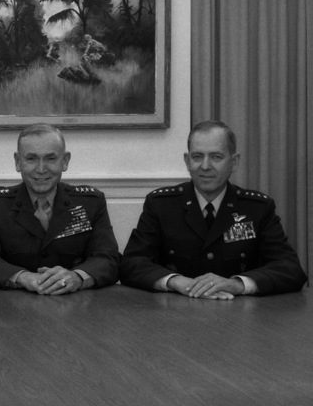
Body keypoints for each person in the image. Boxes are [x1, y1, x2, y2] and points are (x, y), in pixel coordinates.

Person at [120, 121, 308, 298]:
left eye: (216, 157)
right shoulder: (161, 204)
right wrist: (175, 281)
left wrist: (237, 284)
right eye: (197, 156)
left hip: (241, 318)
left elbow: (289, 269)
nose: (205, 166)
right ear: (187, 161)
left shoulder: (257, 209)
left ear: (234, 162)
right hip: (174, 316)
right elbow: (131, 263)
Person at [0, 123, 119, 293]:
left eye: (50, 158)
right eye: (31, 159)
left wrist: (77, 278)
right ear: (18, 162)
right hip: (11, 308)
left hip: (76, 306)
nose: (41, 169)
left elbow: (108, 258)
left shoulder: (90, 202)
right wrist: (24, 277)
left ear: (65, 161)